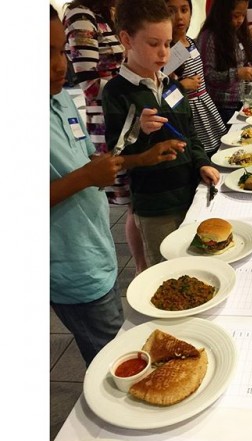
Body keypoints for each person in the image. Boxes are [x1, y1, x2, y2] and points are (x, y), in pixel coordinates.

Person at [102, 0, 220, 267]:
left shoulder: (171, 86)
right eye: (153, 44)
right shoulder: (117, 92)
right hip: (155, 206)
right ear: (126, 39)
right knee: (167, 268)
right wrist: (139, 130)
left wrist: (201, 163)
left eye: (167, 44)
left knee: (197, 262)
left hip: (190, 193)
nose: (164, 53)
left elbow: (191, 134)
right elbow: (116, 154)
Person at [50, 4, 125, 366]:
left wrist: (92, 166)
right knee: (113, 360)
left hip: (95, 246)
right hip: (72, 266)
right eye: (44, 54)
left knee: (112, 342)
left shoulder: (58, 96)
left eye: (60, 50)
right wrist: (87, 176)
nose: (60, 64)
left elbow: (78, 153)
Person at [63, 0, 148, 275]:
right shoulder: (80, 15)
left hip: (132, 115)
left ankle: (145, 263)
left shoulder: (105, 14)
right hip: (110, 121)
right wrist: (136, 85)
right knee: (133, 203)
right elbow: (89, 84)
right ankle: (140, 267)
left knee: (140, 196)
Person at [166, 0, 227, 157]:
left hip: (204, 104)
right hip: (189, 110)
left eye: (184, 10)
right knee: (201, 151)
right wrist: (181, 85)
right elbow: (162, 89)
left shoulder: (191, 42)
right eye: (171, 11)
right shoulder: (168, 50)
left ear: (190, 13)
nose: (179, 17)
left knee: (217, 149)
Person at [197, 0, 252, 126]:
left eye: (243, 15)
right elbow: (207, 76)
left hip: (241, 100)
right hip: (223, 107)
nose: (240, 20)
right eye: (236, 15)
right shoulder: (209, 37)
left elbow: (246, 58)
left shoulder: (237, 31)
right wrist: (236, 74)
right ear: (223, 13)